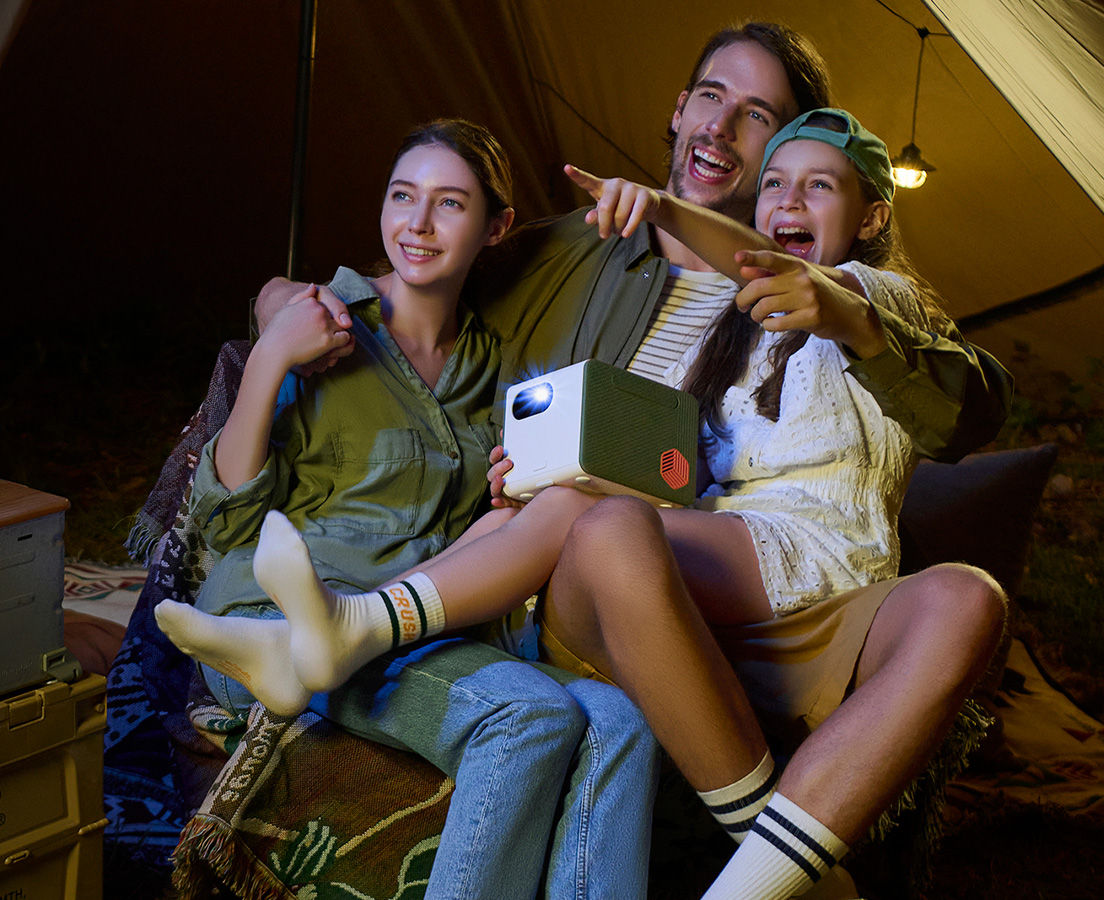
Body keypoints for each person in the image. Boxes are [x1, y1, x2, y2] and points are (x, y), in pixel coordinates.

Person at [253, 22, 1011, 898]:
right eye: (711, 98)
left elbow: (961, 401)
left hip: (755, 568)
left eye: (759, 114)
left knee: (965, 595)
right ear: (679, 110)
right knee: (600, 519)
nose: (722, 129)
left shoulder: (830, 294)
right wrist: (285, 304)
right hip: (628, 567)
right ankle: (353, 628)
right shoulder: (579, 249)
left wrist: (826, 306)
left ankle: (757, 879)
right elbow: (414, 280)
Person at [156, 118, 658, 900]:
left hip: (412, 622)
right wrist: (269, 354)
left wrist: (506, 499)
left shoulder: (498, 374)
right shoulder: (324, 321)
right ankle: (285, 648)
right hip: (287, 600)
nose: (416, 224)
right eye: (402, 196)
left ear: (495, 229)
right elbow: (225, 524)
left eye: (449, 204)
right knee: (528, 716)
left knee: (622, 720)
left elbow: (488, 541)